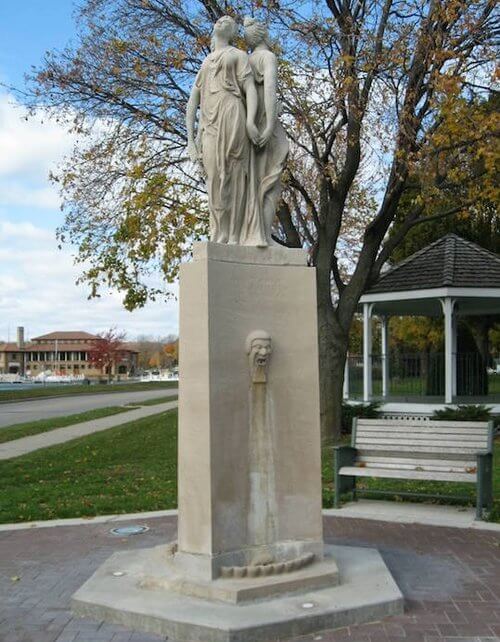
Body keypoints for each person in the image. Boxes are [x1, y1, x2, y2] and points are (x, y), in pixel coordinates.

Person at [186, 16, 260, 245]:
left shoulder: (238, 55)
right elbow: (192, 101)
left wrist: (250, 122)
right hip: (209, 123)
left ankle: (234, 235)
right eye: (220, 19)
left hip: (232, 113)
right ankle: (218, 232)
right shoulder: (206, 61)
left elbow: (250, 89)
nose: (223, 20)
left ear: (234, 31)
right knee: (214, 176)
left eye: (228, 20)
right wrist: (191, 137)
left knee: (235, 174)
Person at [244, 17, 289, 246]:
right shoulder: (268, 57)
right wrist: (271, 124)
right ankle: (262, 235)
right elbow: (269, 89)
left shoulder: (246, 60)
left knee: (255, 179)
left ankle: (257, 231)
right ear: (263, 35)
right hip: (264, 124)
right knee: (271, 180)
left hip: (251, 125)